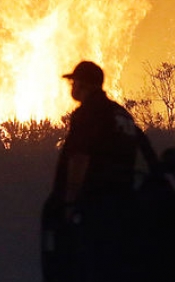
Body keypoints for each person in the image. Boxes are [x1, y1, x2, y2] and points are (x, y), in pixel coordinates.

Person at [42, 60, 164, 282]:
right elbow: (146, 159)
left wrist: (69, 202)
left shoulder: (90, 113)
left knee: (87, 267)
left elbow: (80, 158)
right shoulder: (121, 115)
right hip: (123, 206)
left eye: (74, 82)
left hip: (94, 206)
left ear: (84, 85)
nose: (72, 87)